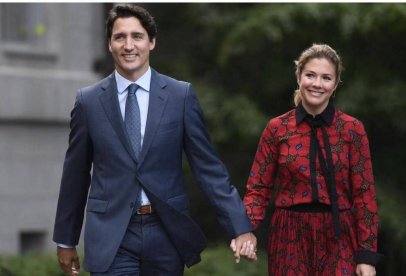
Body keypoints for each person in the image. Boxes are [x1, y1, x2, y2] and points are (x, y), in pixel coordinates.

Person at [53, 4, 256, 275]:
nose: (128, 45)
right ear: (109, 44)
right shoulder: (88, 102)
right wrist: (66, 239)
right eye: (119, 37)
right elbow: (75, 175)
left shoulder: (180, 96)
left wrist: (240, 226)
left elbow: (208, 169)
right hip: (112, 236)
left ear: (152, 42)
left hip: (166, 233)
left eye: (137, 36)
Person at [241, 44, 381, 276]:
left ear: (335, 84)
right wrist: (245, 229)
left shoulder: (352, 129)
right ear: (299, 77)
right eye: (310, 75)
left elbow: (365, 195)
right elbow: (258, 188)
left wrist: (366, 255)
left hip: (339, 235)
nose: (317, 83)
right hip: (289, 235)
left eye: (326, 78)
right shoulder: (277, 128)